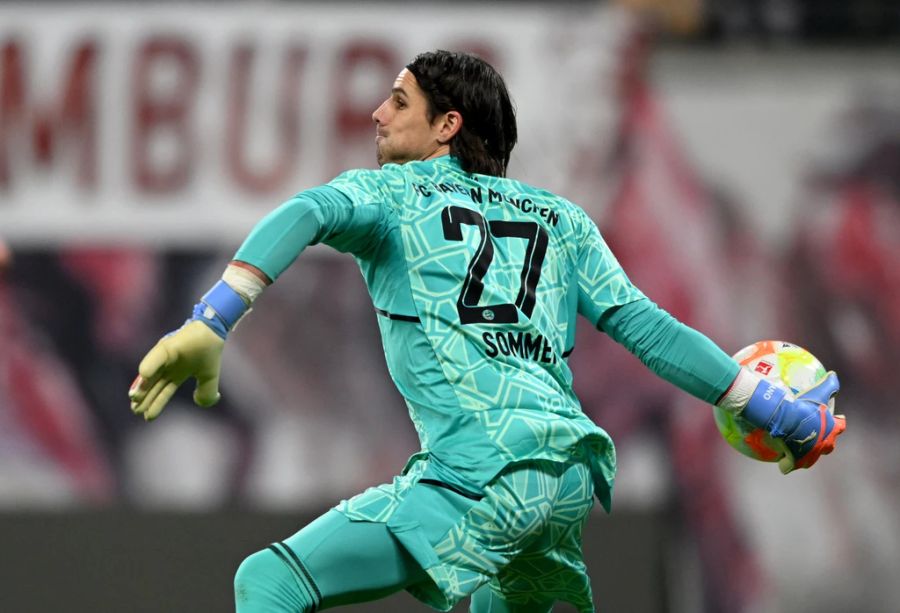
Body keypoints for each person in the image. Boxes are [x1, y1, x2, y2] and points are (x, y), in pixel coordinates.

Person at [128, 50, 846, 613]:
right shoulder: (561, 217)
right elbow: (648, 328)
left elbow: (306, 212)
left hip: (482, 472)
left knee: (267, 582)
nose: (377, 112)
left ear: (448, 127)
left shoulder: (395, 193)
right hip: (567, 475)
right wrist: (771, 404)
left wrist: (213, 318)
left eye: (399, 100)